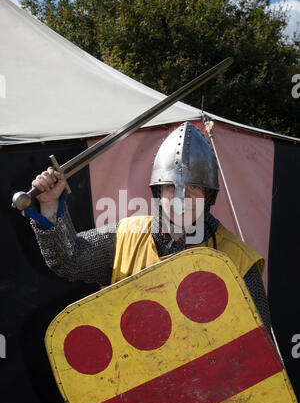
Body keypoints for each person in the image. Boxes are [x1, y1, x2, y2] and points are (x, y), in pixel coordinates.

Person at [25, 122, 272, 335]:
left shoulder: (238, 261)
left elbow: (257, 354)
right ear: (156, 192)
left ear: (209, 196)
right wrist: (49, 205)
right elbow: (69, 259)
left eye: (194, 188)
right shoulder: (126, 237)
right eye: (170, 187)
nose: (181, 198)